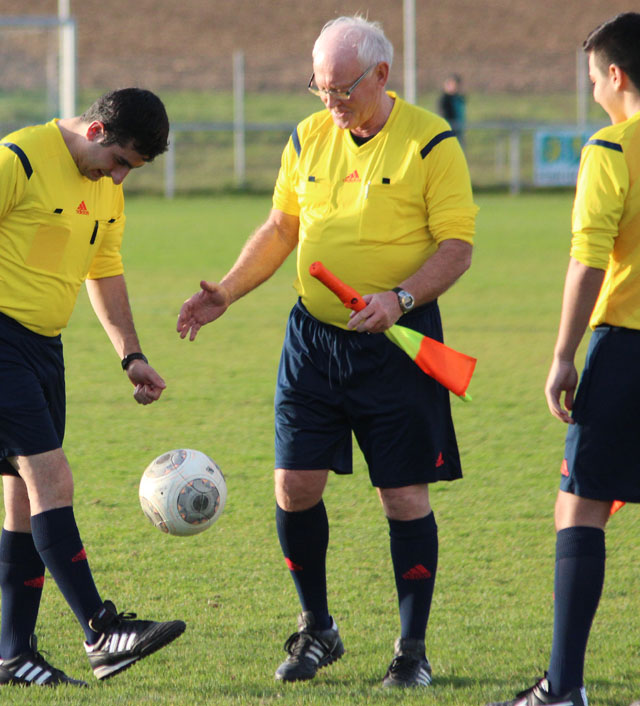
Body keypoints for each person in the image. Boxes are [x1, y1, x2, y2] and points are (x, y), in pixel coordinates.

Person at [177, 15, 476, 688]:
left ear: (381, 76)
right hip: (312, 343)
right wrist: (226, 292)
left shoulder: (431, 143)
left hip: (400, 341)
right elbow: (283, 226)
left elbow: (456, 246)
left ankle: (411, 650)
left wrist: (398, 299)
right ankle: (318, 628)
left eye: (343, 89)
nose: (331, 103)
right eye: (320, 88)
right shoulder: (308, 136)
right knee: (294, 486)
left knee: (402, 498)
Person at [0, 88, 185, 688]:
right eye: (120, 163)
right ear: (96, 131)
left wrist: (130, 354)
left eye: (131, 172)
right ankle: (101, 630)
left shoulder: (106, 191)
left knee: (25, 501)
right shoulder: (18, 160)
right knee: (52, 480)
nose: (120, 178)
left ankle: (13, 657)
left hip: (43, 347)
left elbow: (103, 270)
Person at [488, 12, 640, 706]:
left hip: (627, 349)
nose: (593, 97)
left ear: (617, 75)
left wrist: (562, 355)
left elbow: (587, 261)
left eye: (592, 82)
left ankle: (565, 689)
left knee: (579, 508)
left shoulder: (612, 150)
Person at [438, 74, 466, 147]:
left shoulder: (459, 98)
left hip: (458, 130)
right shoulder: (444, 100)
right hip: (449, 131)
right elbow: (443, 115)